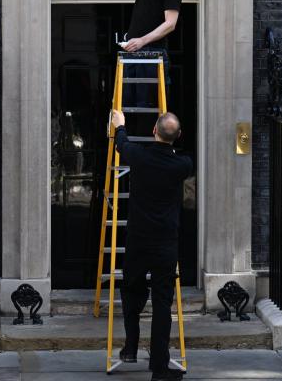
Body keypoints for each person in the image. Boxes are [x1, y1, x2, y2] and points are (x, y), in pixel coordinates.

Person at [110, 108, 193, 381]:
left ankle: (131, 347)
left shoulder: (140, 156)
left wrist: (120, 124)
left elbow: (122, 144)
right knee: (162, 305)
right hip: (166, 243)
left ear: (153, 132)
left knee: (131, 291)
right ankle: (159, 367)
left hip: (138, 239)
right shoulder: (183, 165)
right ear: (178, 136)